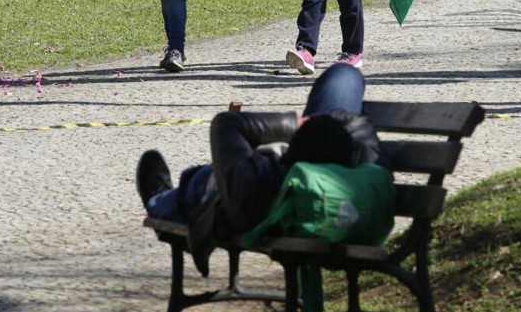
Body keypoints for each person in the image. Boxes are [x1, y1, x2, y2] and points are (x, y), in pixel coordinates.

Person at [135, 63, 389, 273]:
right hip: (337, 177)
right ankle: (170, 198)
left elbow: (226, 124)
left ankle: (162, 201)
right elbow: (361, 129)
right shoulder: (367, 168)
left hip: (254, 199)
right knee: (345, 74)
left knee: (201, 183)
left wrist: (296, 124)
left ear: (290, 158)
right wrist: (326, 130)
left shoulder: (253, 190)